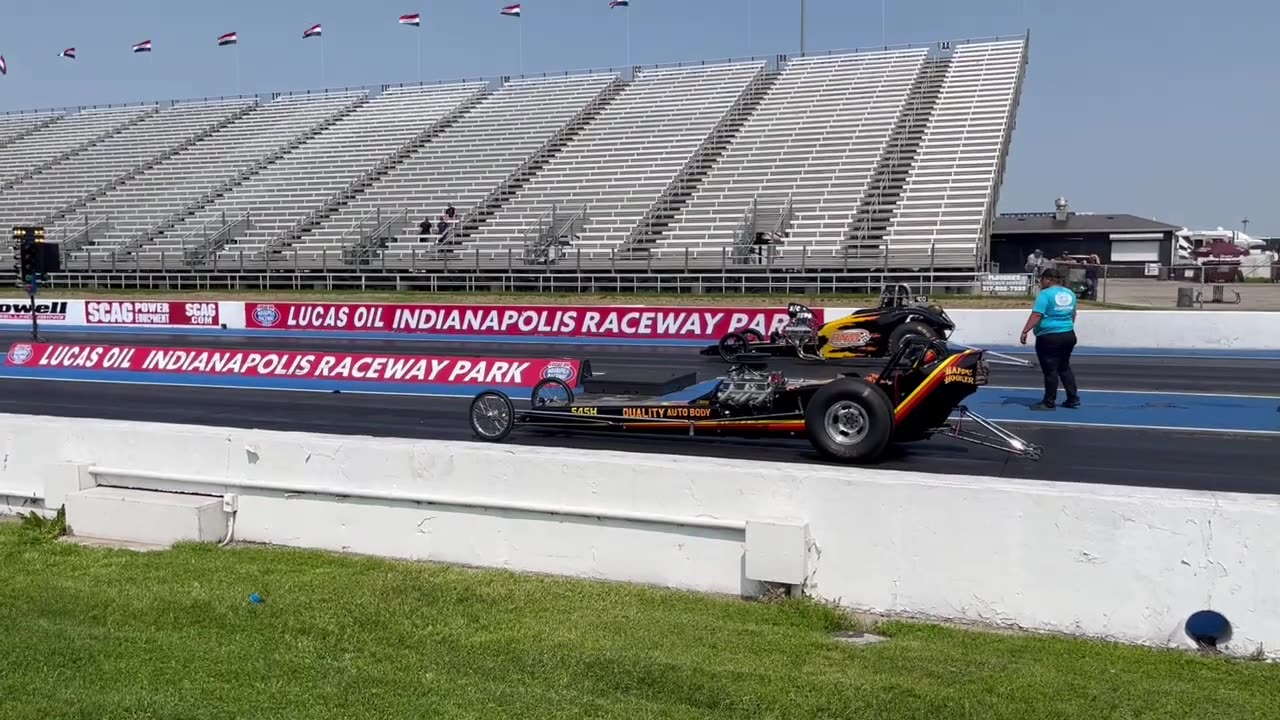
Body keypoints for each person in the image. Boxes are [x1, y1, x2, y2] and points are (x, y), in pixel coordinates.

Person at [1019, 267, 1080, 410]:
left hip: (1049, 336)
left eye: (1042, 279)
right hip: (1068, 334)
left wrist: (1025, 331)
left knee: (1050, 369)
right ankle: (1072, 398)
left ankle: (1049, 402)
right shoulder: (1070, 293)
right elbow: (1073, 314)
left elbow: (1037, 315)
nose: (1041, 283)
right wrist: (1066, 327)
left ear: (1048, 279)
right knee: (1064, 367)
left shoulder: (1045, 295)